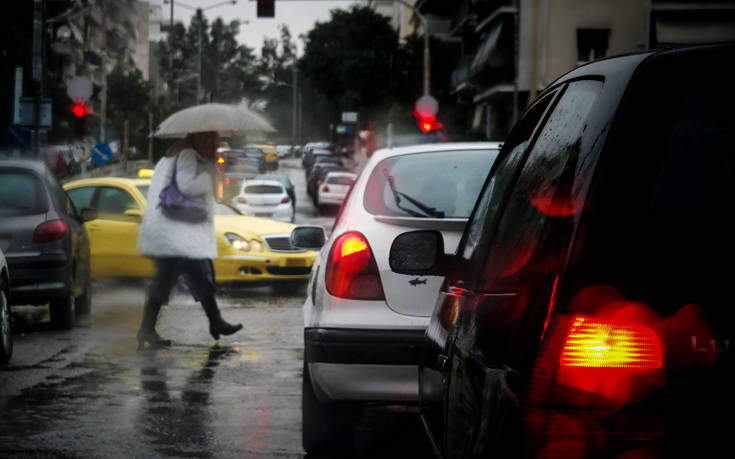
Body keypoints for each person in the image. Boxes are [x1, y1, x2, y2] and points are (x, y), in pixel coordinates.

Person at [136, 131, 242, 350]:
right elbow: (187, 187)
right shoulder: (187, 155)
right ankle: (213, 322)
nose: (214, 145)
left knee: (197, 275)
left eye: (215, 141)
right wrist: (207, 175)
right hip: (177, 235)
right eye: (211, 140)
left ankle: (215, 322)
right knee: (173, 280)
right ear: (199, 139)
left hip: (172, 232)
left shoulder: (171, 156)